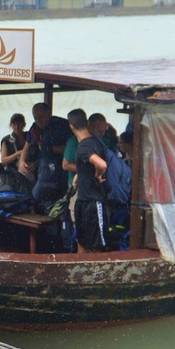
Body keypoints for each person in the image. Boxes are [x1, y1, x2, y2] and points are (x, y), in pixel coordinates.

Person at [68, 108, 109, 253]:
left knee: (96, 245)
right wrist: (80, 174)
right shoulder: (94, 142)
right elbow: (89, 163)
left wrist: (98, 174)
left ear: (71, 127)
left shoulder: (84, 146)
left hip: (93, 202)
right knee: (82, 241)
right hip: (83, 200)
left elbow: (102, 164)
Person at [19, 102, 71, 205]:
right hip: (43, 172)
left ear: (48, 113)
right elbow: (26, 147)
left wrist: (50, 149)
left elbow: (72, 148)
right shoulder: (35, 127)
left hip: (61, 171)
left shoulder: (62, 125)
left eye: (41, 117)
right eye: (36, 118)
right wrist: (21, 162)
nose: (39, 121)